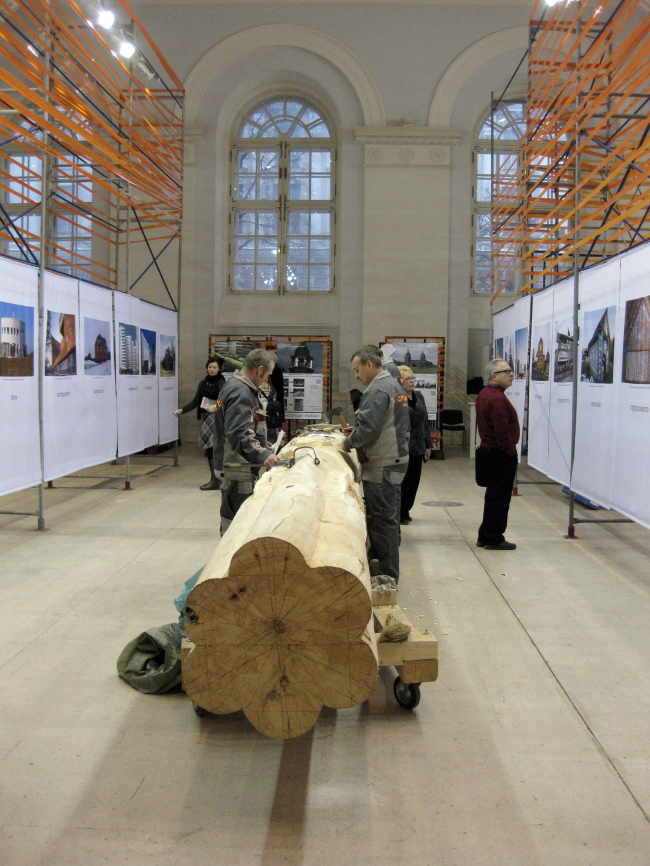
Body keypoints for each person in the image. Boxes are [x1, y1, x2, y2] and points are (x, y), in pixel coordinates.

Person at [343, 346, 410, 582]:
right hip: (394, 460)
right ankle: (380, 569)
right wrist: (357, 430)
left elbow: (370, 430)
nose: (356, 375)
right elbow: (381, 423)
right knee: (386, 521)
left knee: (382, 524)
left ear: (369, 365)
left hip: (383, 464)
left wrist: (348, 441)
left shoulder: (378, 389)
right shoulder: (393, 384)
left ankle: (387, 579)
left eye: (357, 369)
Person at [214, 348, 280, 535]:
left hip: (238, 463)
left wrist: (260, 442)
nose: (266, 380)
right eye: (267, 375)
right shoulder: (241, 392)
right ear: (259, 370)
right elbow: (239, 434)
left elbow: (246, 425)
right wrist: (263, 454)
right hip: (236, 468)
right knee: (236, 523)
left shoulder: (236, 385)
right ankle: (229, 552)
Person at [475, 358, 520, 550]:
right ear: (494, 376)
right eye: (506, 371)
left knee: (493, 497)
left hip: (490, 452)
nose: (511, 374)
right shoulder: (498, 399)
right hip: (500, 455)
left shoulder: (485, 394)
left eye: (510, 370)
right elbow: (502, 433)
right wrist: (511, 452)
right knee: (500, 499)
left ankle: (485, 535)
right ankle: (494, 538)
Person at [174, 356, 225, 490]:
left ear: (219, 369)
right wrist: (182, 410)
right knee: (209, 449)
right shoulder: (203, 383)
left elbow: (225, 401)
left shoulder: (222, 383)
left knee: (216, 448)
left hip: (217, 419)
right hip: (206, 419)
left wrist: (216, 407)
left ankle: (218, 479)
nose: (211, 369)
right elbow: (196, 401)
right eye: (210, 367)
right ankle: (214, 479)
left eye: (214, 367)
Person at [397, 365, 432, 524]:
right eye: (407, 379)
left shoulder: (419, 396)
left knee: (414, 482)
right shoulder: (398, 398)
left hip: (418, 446)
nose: (411, 381)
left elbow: (425, 422)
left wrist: (428, 445)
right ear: (400, 381)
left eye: (412, 378)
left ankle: (406, 509)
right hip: (403, 447)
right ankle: (400, 512)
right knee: (403, 482)